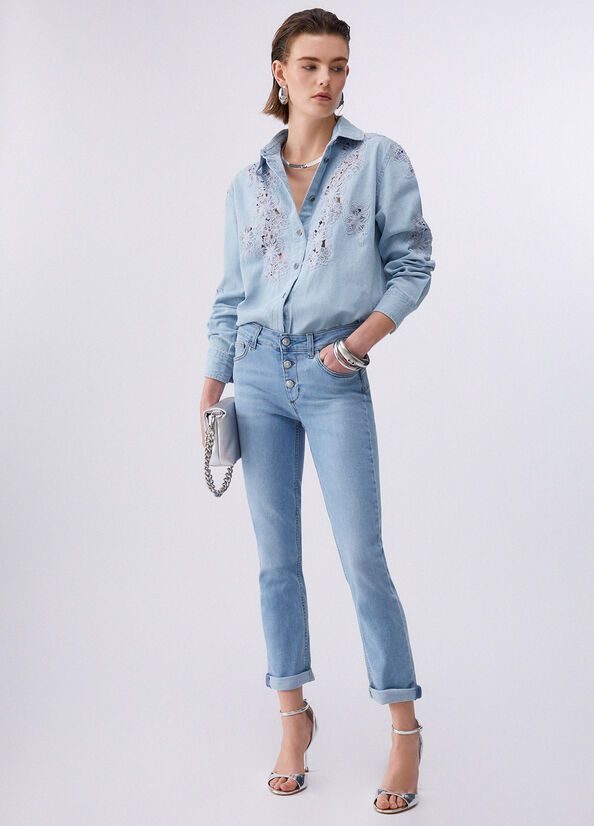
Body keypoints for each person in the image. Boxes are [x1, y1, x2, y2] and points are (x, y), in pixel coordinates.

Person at [200, 8, 435, 813]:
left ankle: (404, 729)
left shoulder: (378, 160)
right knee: (276, 562)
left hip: (335, 375)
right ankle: (293, 719)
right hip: (256, 374)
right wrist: (211, 386)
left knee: (362, 555)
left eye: (338, 66)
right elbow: (230, 296)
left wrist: (357, 345)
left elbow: (413, 265)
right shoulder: (246, 184)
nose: (326, 80)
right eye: (310, 65)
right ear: (280, 73)